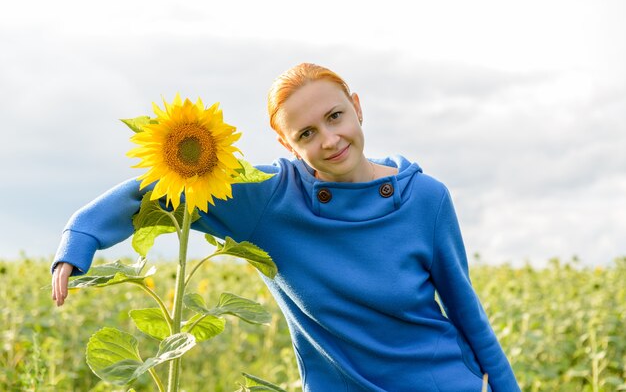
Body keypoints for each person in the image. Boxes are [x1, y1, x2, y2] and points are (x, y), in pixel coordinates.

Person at [51, 63, 520, 392]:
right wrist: (82, 238)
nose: (330, 140)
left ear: (357, 107)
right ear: (286, 143)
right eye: (307, 134)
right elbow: (160, 186)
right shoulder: (270, 200)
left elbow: (467, 316)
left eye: (335, 116)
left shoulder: (426, 199)